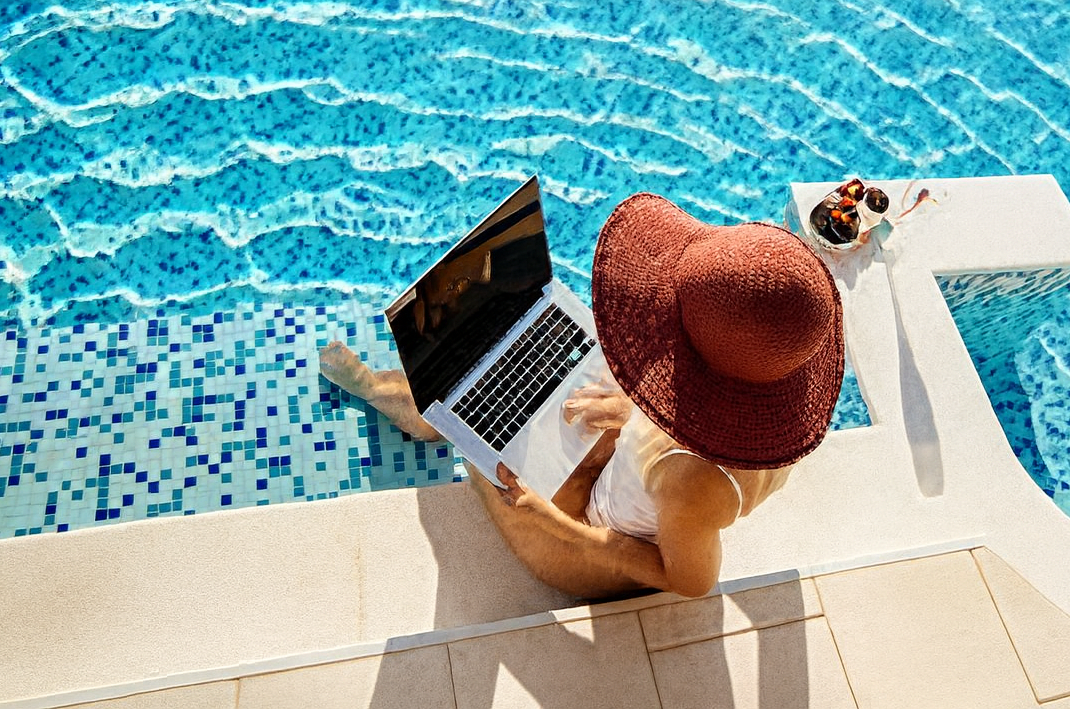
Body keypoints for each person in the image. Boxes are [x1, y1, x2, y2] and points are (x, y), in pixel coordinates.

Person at [319, 191, 844, 599]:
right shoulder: (778, 384)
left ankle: (403, 401)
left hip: (595, 538)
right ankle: (451, 391)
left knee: (478, 433)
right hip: (642, 474)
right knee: (533, 386)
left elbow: (691, 581)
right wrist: (639, 410)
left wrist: (555, 525)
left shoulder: (691, 484)